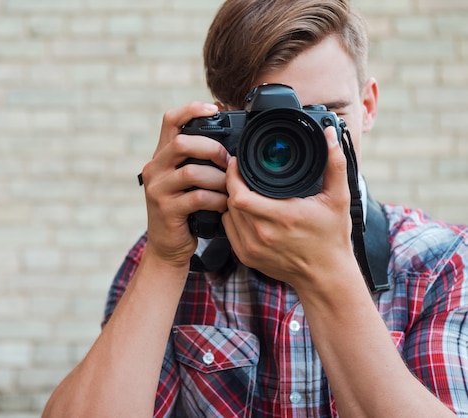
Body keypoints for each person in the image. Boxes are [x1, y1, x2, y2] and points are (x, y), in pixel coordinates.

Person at [43, 0, 468, 416]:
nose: (305, 146)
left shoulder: (440, 263)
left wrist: (327, 272)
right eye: (273, 127)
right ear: (222, 124)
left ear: (368, 107)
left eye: (327, 117)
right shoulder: (173, 254)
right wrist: (165, 259)